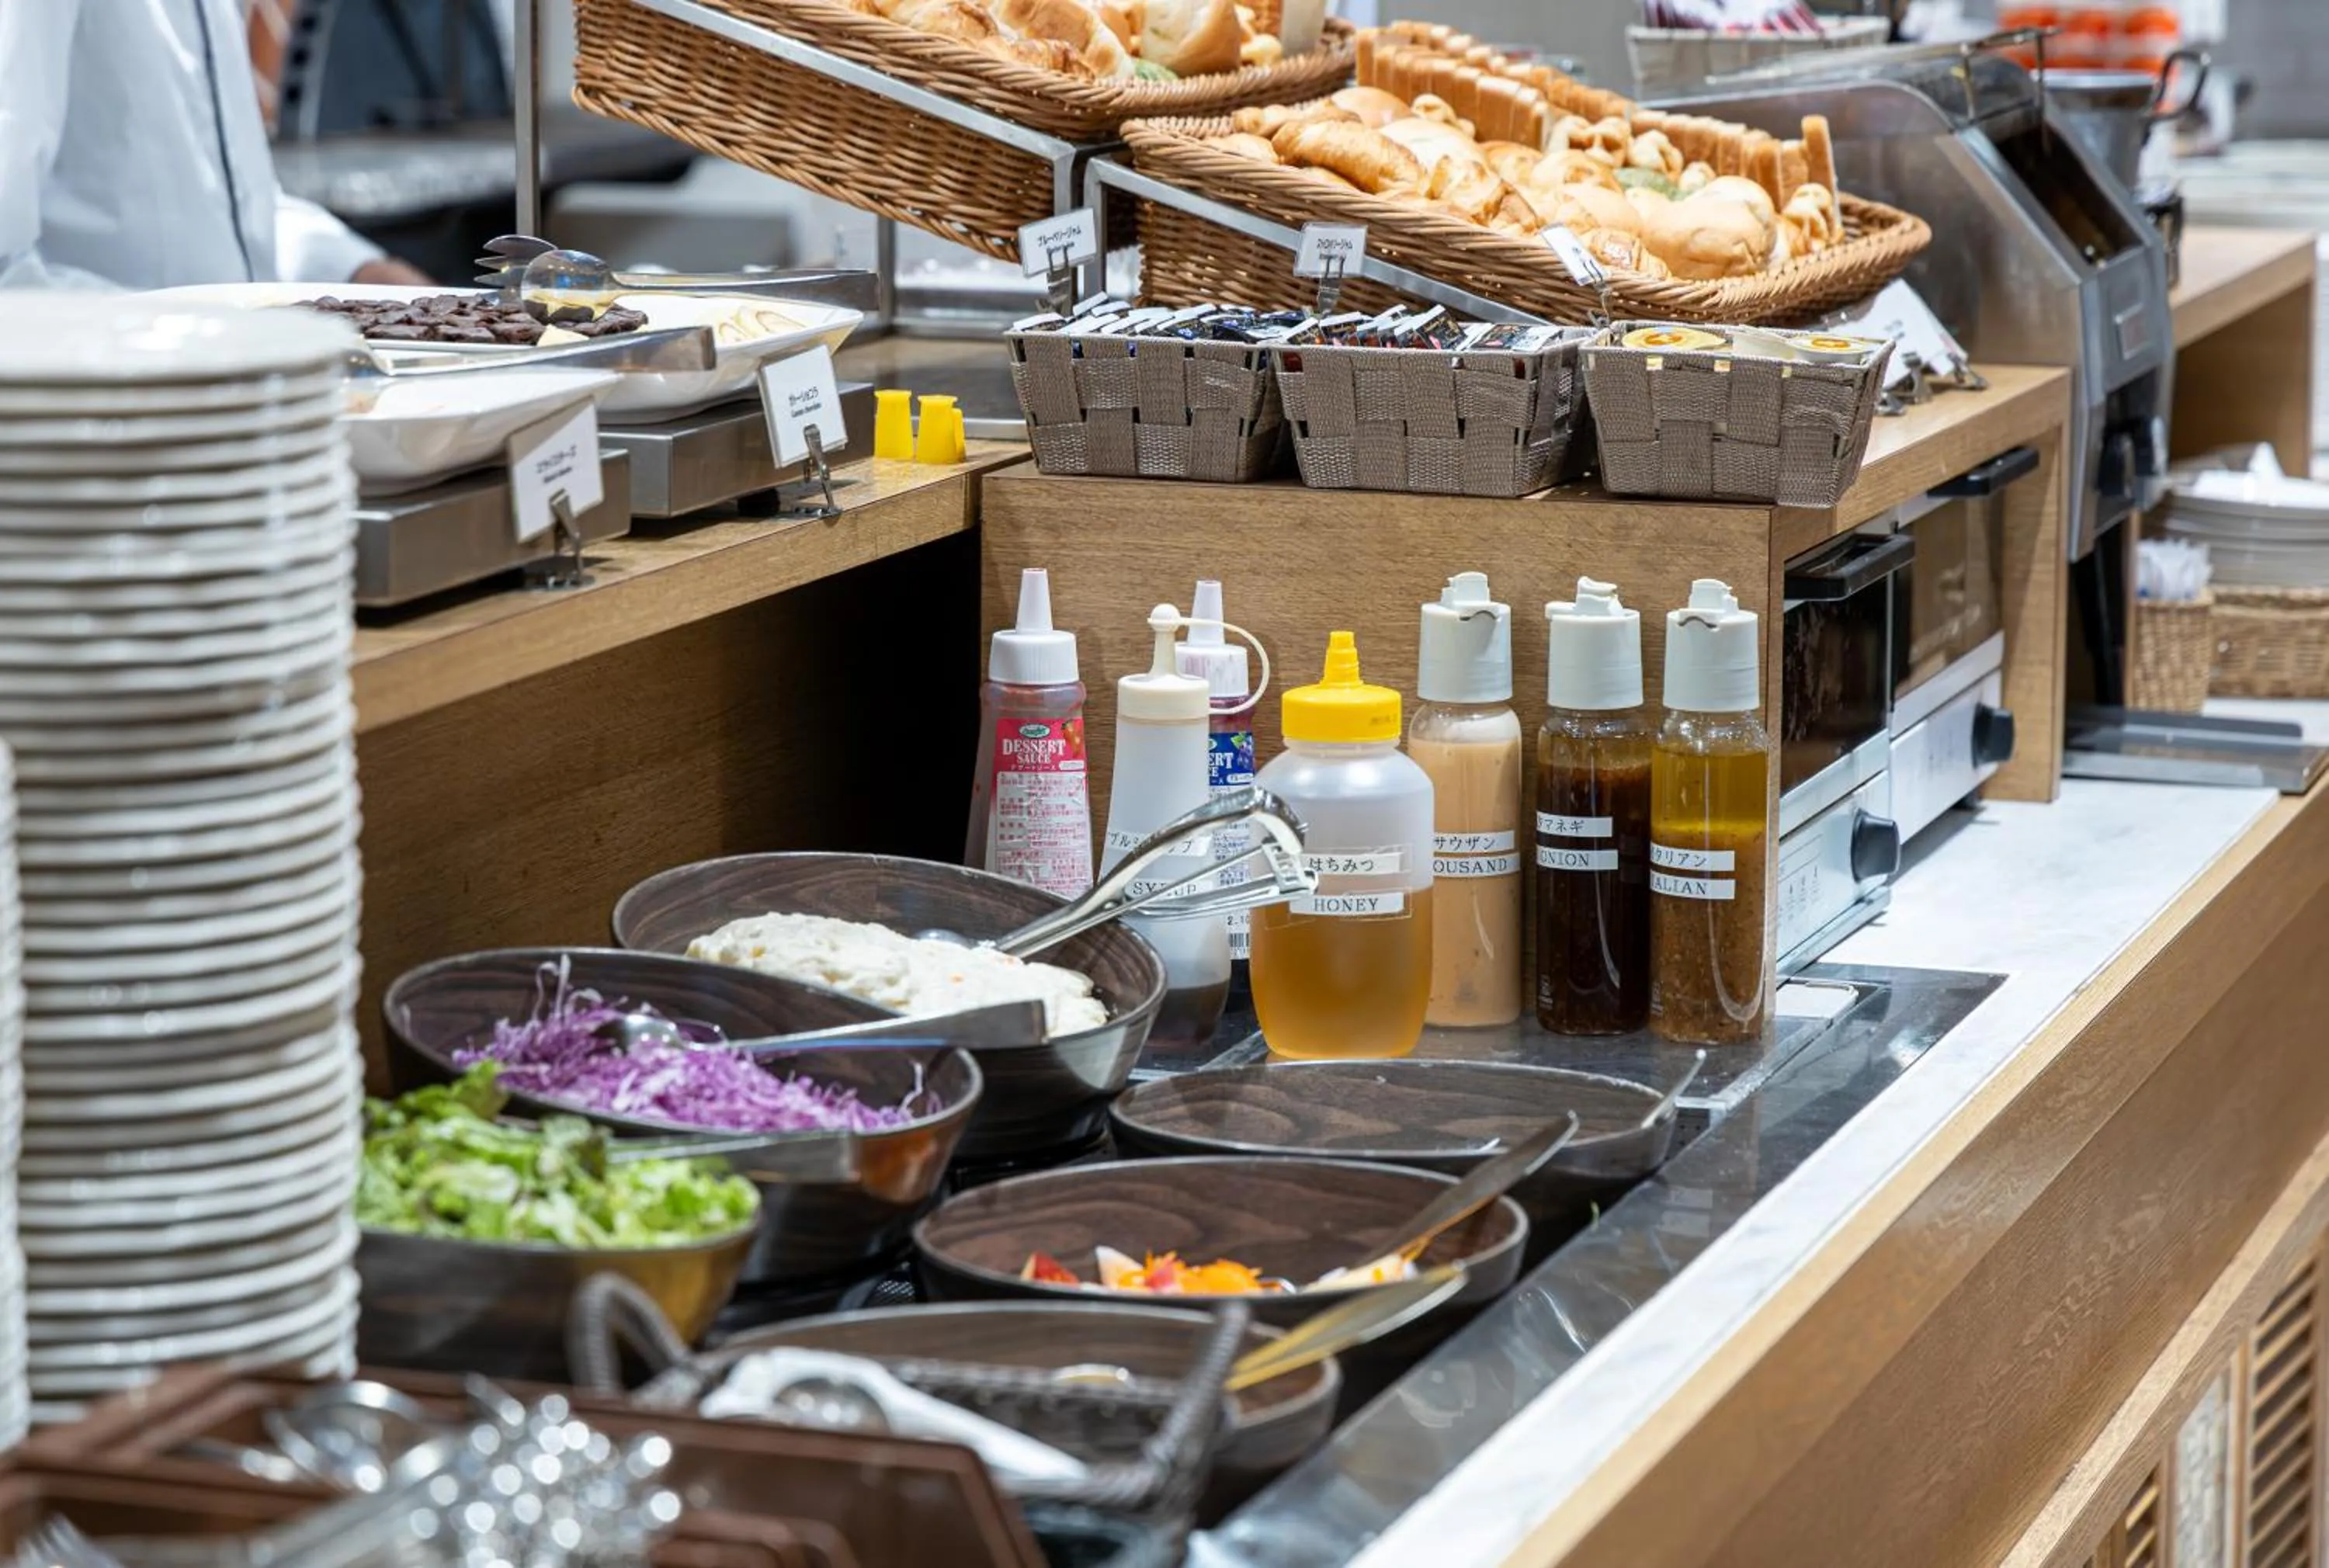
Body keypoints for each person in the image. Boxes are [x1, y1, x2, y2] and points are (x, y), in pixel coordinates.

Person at [0, 0, 434, 290]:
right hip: (116, 404)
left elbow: (224, 208)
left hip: (222, 392)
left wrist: (356, 270)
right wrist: (178, 340)